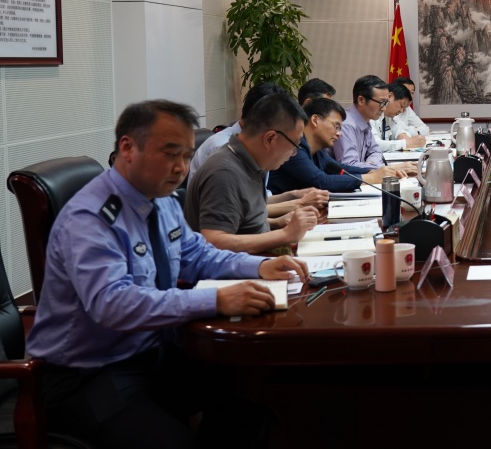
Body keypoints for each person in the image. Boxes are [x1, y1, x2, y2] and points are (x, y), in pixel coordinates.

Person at [25, 100, 308, 448]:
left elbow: (197, 254)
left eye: (187, 156)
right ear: (127, 148)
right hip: (88, 374)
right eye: (170, 154)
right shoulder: (90, 218)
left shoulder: (161, 201)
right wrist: (215, 299)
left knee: (254, 405)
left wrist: (260, 266)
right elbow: (113, 305)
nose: (181, 168)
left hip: (152, 353)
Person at [185, 90, 321, 253]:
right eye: (294, 145)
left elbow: (245, 220)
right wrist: (286, 234)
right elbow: (214, 241)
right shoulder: (225, 172)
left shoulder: (251, 163)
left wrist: (279, 222)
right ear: (270, 138)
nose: (293, 154)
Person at [268, 97, 396, 194]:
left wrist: (373, 172)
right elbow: (321, 181)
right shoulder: (294, 147)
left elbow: (340, 168)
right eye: (336, 126)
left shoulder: (317, 150)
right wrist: (370, 178)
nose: (339, 133)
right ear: (315, 120)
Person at [333, 75, 411, 176]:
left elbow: (376, 152)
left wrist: (370, 164)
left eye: (386, 103)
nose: (383, 108)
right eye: (381, 103)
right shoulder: (346, 124)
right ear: (361, 100)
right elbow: (349, 167)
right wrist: (387, 168)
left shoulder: (365, 120)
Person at [371, 81, 426, 151]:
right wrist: (405, 143)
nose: (401, 111)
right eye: (401, 105)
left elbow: (398, 130)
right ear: (390, 97)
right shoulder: (371, 114)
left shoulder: (389, 116)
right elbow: (375, 144)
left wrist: (404, 136)